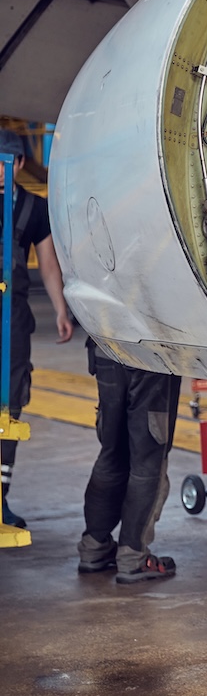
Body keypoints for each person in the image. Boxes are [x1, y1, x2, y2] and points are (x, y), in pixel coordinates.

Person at [0, 129, 74, 529]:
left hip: (13, 321)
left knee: (10, 407)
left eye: (6, 161)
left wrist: (61, 309)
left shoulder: (34, 208)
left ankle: (0, 499)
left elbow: (48, 264)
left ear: (20, 164)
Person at [76, 339, 180, 583]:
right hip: (151, 352)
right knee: (148, 460)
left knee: (112, 453)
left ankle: (94, 547)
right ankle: (133, 557)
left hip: (104, 346)